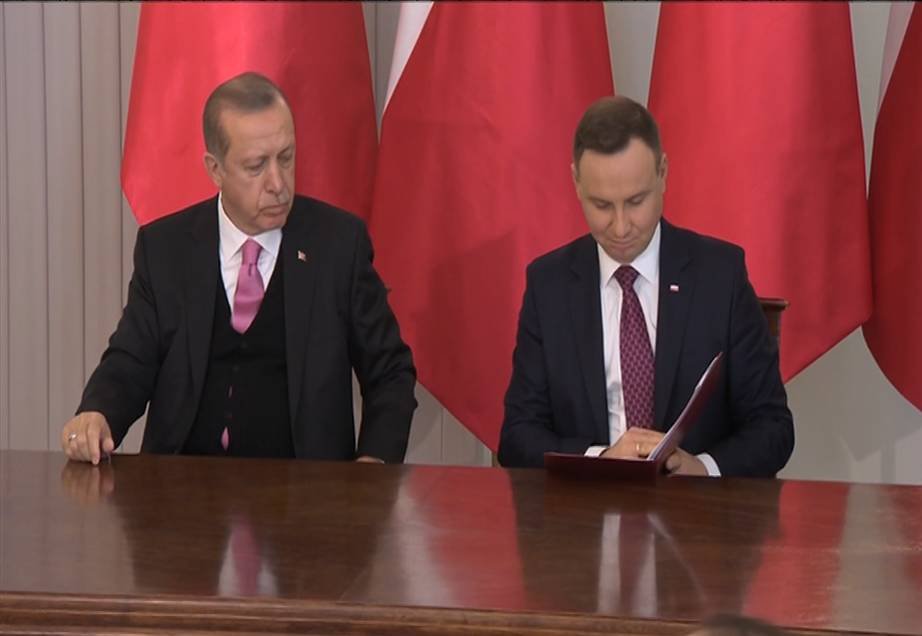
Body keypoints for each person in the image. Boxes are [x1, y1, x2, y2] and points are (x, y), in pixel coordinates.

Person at [61, 72, 416, 465]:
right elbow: (131, 359)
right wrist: (97, 413)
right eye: (256, 166)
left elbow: (390, 371)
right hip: (181, 487)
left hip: (308, 490)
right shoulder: (166, 248)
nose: (278, 183)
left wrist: (373, 465)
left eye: (286, 158)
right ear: (215, 170)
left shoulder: (337, 245)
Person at [498, 96, 793, 476]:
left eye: (636, 201)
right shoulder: (548, 286)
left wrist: (703, 468)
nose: (621, 227)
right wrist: (601, 459)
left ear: (663, 173)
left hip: (697, 508)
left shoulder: (720, 275)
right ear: (576, 183)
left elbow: (773, 427)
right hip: (585, 508)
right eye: (602, 205)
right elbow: (517, 437)